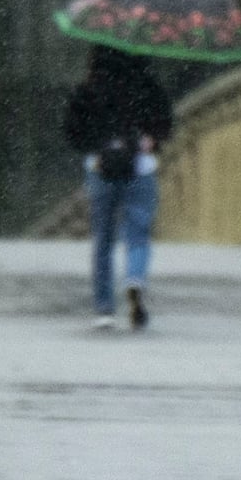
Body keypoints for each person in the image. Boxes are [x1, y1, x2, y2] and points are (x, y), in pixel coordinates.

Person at [61, 41, 174, 331]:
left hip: (101, 169)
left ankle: (104, 309)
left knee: (103, 241)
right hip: (140, 168)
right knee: (138, 234)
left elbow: (73, 133)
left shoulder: (88, 89)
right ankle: (134, 280)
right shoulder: (148, 85)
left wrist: (100, 145)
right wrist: (149, 140)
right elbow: (165, 123)